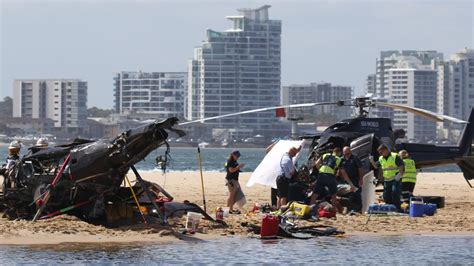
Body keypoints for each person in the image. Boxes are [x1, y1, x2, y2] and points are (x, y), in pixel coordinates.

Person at [310, 147, 357, 213]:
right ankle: (334, 211)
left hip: (321, 175)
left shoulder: (325, 155)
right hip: (330, 176)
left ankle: (310, 208)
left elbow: (317, 163)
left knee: (315, 194)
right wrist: (351, 184)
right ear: (339, 153)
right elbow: (344, 173)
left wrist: (320, 169)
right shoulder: (338, 159)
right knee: (333, 195)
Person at [369, 144, 404, 209]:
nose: (380, 153)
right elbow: (376, 166)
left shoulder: (394, 156)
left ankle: (397, 207)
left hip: (395, 178)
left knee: (395, 192)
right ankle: (389, 207)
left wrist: (400, 174)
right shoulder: (381, 158)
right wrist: (372, 161)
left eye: (381, 152)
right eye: (379, 152)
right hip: (387, 180)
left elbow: (401, 165)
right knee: (386, 195)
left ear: (386, 150)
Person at [341, 146, 364, 213]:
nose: (346, 155)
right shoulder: (342, 159)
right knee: (350, 194)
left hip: (355, 178)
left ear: (350, 152)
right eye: (345, 154)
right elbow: (343, 172)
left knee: (357, 193)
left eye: (347, 154)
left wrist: (360, 179)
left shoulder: (355, 158)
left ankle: (358, 209)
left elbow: (360, 169)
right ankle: (351, 208)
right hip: (347, 179)